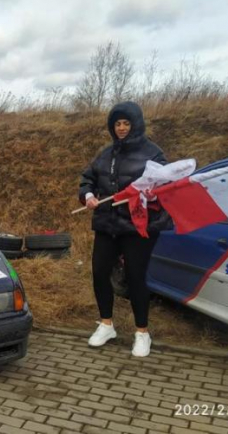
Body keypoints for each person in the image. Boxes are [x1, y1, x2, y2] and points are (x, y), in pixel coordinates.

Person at [78, 101, 170, 357]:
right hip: (107, 224)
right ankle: (106, 324)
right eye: (116, 123)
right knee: (99, 272)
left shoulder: (153, 153)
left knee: (135, 277)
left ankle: (142, 333)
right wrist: (87, 197)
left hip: (138, 227)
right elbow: (87, 179)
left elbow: (166, 186)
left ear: (136, 124)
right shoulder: (106, 154)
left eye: (126, 123)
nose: (120, 128)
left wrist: (151, 194)